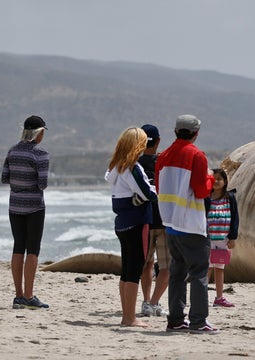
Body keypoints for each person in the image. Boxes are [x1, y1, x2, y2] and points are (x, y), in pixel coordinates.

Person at [155, 114, 218, 334]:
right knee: (199, 273)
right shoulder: (196, 155)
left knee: (177, 273)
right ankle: (199, 321)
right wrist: (211, 178)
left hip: (170, 222)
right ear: (196, 133)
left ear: (175, 131)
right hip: (191, 223)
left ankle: (175, 320)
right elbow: (201, 190)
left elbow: (160, 189)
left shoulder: (163, 156)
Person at [105, 127, 158, 327]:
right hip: (136, 222)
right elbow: (148, 194)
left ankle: (126, 315)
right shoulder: (133, 167)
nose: (145, 145)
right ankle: (129, 318)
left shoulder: (116, 167)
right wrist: (156, 191)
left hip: (122, 223)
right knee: (135, 269)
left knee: (127, 269)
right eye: (143, 142)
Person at [1, 115, 50, 310]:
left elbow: (5, 178)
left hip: (15, 206)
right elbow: (42, 184)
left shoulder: (12, 151)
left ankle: (18, 295)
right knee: (33, 249)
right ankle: (29, 296)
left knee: (18, 248)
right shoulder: (41, 154)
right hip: (34, 207)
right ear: (39, 133)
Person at [138, 124, 170, 317]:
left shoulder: (134, 163)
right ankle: (155, 302)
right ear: (158, 141)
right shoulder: (164, 162)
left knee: (146, 264)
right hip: (166, 220)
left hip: (144, 221)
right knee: (167, 266)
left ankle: (145, 301)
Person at [206, 169, 239, 308]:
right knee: (206, 268)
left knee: (219, 268)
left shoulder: (230, 197)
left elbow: (235, 218)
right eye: (214, 178)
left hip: (223, 238)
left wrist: (232, 237)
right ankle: (202, 296)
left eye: (220, 179)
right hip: (207, 238)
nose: (217, 181)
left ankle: (219, 297)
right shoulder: (206, 197)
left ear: (225, 181)